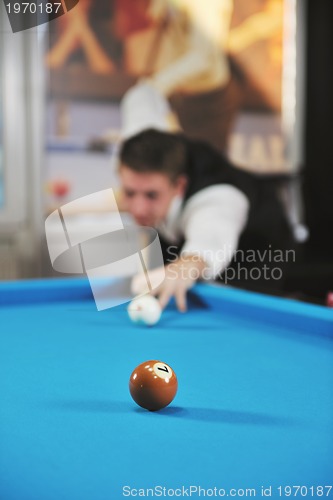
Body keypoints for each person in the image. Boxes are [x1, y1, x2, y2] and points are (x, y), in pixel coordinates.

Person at [118, 128, 294, 311]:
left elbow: (209, 243)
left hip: (258, 254)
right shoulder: (147, 155)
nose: (138, 209)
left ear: (179, 186)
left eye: (151, 195)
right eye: (130, 193)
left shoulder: (217, 200)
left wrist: (185, 267)